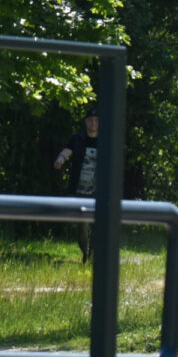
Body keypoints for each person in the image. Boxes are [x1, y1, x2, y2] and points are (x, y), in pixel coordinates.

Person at [53, 106, 99, 262]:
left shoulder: (105, 140)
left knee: (98, 224)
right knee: (82, 227)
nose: (93, 123)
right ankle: (85, 252)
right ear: (86, 122)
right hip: (80, 190)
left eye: (96, 121)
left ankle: (93, 254)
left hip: (98, 191)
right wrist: (60, 159)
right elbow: (66, 151)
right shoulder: (78, 139)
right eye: (90, 120)